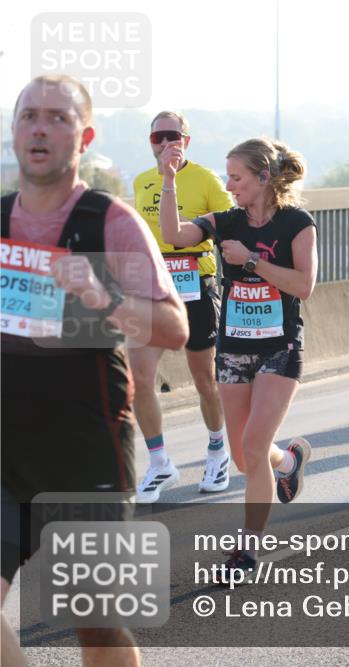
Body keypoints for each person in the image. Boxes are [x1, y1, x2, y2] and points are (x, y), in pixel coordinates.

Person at [2, 74, 186, 667]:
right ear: (13, 132)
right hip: (4, 447)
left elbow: (173, 329)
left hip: (83, 450)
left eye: (57, 117)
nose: (39, 127)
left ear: (83, 136)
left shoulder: (110, 223)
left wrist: (103, 296)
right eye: (29, 115)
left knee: (97, 627)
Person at [159, 136, 317, 578]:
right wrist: (169, 181)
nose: (229, 186)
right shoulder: (226, 221)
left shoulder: (297, 223)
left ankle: (246, 552)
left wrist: (250, 262)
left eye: (237, 177)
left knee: (250, 444)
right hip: (234, 349)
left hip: (279, 348)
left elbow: (304, 286)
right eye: (227, 176)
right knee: (246, 457)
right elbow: (174, 237)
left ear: (263, 178)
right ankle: (287, 462)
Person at [131, 111, 235, 503]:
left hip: (196, 282)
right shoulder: (141, 181)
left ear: (186, 141)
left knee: (203, 377)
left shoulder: (205, 179)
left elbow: (232, 220)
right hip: (151, 286)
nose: (164, 143)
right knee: (140, 378)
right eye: (157, 136)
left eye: (172, 135)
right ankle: (159, 463)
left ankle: (217, 451)